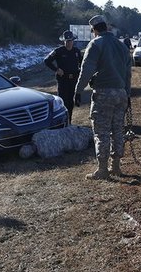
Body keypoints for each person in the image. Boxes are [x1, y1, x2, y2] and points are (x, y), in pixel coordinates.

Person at [74, 15, 132, 180]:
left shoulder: (96, 44)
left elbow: (86, 70)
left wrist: (78, 91)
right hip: (121, 93)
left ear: (94, 30)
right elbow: (128, 75)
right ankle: (116, 166)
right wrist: (127, 94)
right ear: (106, 27)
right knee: (118, 130)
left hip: (104, 93)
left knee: (101, 132)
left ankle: (102, 169)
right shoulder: (122, 46)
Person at [44, 30, 83, 123]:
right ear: (64, 41)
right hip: (63, 80)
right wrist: (56, 69)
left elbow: (82, 64)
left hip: (74, 80)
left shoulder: (77, 51)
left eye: (71, 41)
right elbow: (47, 61)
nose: (69, 43)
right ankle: (62, 121)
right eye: (67, 41)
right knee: (63, 101)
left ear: (73, 41)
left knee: (71, 101)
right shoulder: (58, 51)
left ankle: (69, 120)